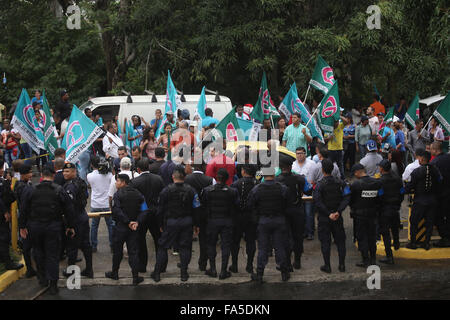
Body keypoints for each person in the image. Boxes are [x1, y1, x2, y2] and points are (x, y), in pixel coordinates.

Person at [19, 166, 75, 294]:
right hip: (53, 227)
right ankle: (53, 284)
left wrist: (22, 226)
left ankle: (42, 278)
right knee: (52, 255)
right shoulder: (59, 190)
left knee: (38, 252)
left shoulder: (30, 190)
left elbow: (23, 209)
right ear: (54, 175)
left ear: (42, 175)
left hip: (35, 226)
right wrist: (70, 226)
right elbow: (69, 210)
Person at [151, 165, 201, 282]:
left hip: (171, 222)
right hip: (186, 221)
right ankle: (184, 273)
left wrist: (160, 224)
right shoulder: (191, 190)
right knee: (185, 247)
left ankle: (157, 272)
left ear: (173, 176)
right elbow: (197, 208)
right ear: (185, 177)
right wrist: (196, 224)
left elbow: (160, 210)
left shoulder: (166, 190)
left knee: (163, 246)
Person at [248, 165, 290, 283]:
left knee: (262, 248)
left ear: (263, 175)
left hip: (264, 221)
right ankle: (284, 273)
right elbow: (288, 202)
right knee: (279, 247)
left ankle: (260, 274)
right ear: (274, 175)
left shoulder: (257, 189)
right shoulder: (282, 188)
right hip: (279, 220)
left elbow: (250, 204)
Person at [105, 174, 146, 285]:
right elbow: (144, 210)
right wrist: (136, 221)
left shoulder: (118, 195)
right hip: (134, 228)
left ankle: (115, 273)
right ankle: (135, 277)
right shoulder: (139, 194)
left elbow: (117, 210)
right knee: (133, 252)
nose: (116, 183)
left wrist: (127, 222)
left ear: (123, 182)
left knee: (118, 251)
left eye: (117, 181)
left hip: (121, 227)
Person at [275, 156, 312, 270]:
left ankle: (286, 262)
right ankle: (297, 261)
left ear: (281, 168)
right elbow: (308, 190)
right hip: (297, 211)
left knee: (284, 238)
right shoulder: (299, 178)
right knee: (298, 237)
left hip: (283, 213)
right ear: (291, 167)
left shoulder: (276, 180)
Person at [314, 159, 350, 273]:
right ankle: (342, 265)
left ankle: (327, 265)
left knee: (325, 242)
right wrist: (338, 211)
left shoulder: (319, 185)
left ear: (322, 170)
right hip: (337, 216)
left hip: (325, 218)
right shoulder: (340, 183)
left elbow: (317, 201)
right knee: (340, 241)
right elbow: (347, 196)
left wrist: (328, 213)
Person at [202, 169, 239, 279]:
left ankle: (213, 269)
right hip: (227, 221)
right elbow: (236, 205)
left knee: (211, 245)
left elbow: (203, 204)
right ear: (227, 179)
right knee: (226, 246)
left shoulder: (207, 190)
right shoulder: (232, 191)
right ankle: (223, 270)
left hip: (212, 221)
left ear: (216, 178)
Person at [129, 158, 165, 273]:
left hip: (141, 215)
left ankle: (142, 266)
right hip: (156, 214)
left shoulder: (135, 182)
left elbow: (133, 201)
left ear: (138, 169)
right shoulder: (158, 179)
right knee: (159, 240)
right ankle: (161, 266)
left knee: (140, 240)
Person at [405, 150, 442, 250]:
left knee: (414, 221)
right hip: (432, 200)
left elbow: (410, 185)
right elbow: (440, 181)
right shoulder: (435, 170)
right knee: (429, 222)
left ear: (421, 159)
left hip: (420, 200)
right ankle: (426, 243)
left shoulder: (416, 171)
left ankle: (413, 242)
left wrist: (403, 191)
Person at [62, 163, 93, 279]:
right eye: (64, 171)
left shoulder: (70, 186)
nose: (65, 174)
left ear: (74, 171)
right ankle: (89, 270)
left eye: (68, 171)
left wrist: (70, 225)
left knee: (72, 246)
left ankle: (71, 270)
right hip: (83, 216)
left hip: (75, 218)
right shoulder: (81, 182)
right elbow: (85, 196)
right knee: (86, 245)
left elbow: (69, 207)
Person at [349, 163, 383, 267]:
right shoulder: (376, 183)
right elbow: (380, 197)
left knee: (362, 237)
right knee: (372, 237)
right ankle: (373, 259)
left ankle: (365, 260)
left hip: (360, 216)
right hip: (372, 214)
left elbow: (351, 200)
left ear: (357, 172)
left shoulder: (355, 185)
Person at [185, 161, 215, 271]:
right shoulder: (210, 180)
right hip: (205, 213)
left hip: (189, 212)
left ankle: (185, 262)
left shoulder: (187, 179)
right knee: (204, 240)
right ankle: (202, 263)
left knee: (186, 239)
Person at [229, 164, 258, 274]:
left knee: (235, 241)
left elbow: (232, 200)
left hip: (238, 217)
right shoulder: (257, 184)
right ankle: (249, 265)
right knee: (251, 241)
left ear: (243, 172)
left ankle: (235, 265)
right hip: (252, 217)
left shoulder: (236, 184)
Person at [377, 159, 404, 264]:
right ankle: (396, 244)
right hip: (395, 208)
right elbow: (402, 192)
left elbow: (379, 196)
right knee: (395, 227)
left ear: (382, 169)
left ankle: (389, 256)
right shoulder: (397, 179)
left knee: (385, 233)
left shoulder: (380, 181)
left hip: (385, 210)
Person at [87, 157, 114, 253]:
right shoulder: (110, 175)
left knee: (94, 226)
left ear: (91, 165)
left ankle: (93, 246)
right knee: (110, 225)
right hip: (107, 204)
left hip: (95, 204)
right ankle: (112, 245)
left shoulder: (89, 176)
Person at [0, 162, 23, 272]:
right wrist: (5, 211)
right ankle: (8, 262)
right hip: (2, 214)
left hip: (4, 211)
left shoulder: (2, 181)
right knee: (4, 238)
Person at [14, 164, 36, 277]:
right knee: (27, 246)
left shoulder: (23, 184)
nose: (31, 175)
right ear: (23, 174)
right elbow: (23, 208)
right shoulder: (22, 187)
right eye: (29, 172)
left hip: (27, 219)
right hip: (26, 220)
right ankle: (30, 269)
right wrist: (22, 226)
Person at [430, 142, 450, 247]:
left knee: (439, 217)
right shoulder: (448, 158)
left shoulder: (434, 163)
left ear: (435, 150)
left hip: (440, 195)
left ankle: (445, 238)